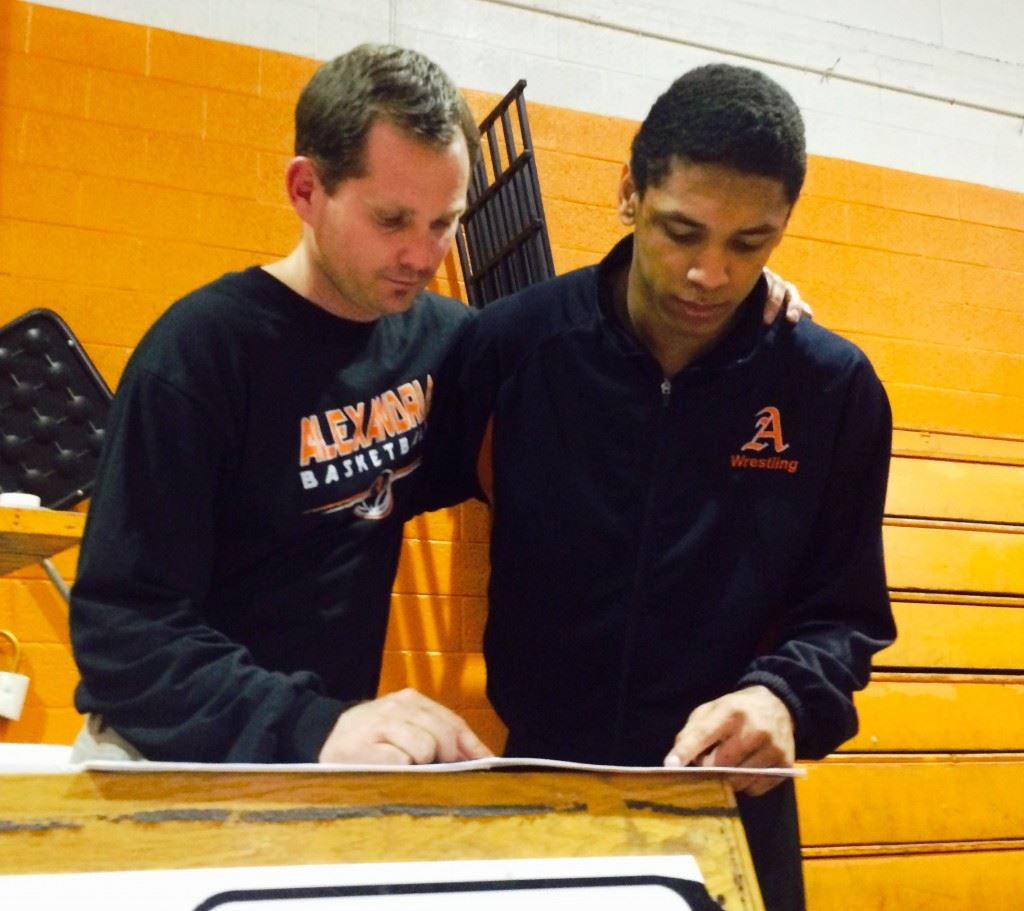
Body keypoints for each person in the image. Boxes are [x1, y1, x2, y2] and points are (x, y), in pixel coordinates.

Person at [420, 64, 896, 911]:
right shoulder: (513, 347)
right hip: (543, 792)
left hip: (732, 810)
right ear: (628, 192)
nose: (709, 273)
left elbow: (846, 616)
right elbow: (358, 511)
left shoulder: (830, 389)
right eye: (684, 230)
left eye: (750, 244)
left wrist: (784, 695)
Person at [68, 44, 494, 765]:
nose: (423, 257)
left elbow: (566, 368)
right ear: (305, 190)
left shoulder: (443, 344)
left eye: (443, 222)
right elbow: (123, 630)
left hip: (317, 757)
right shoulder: (201, 351)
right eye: (392, 221)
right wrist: (314, 724)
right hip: (163, 757)